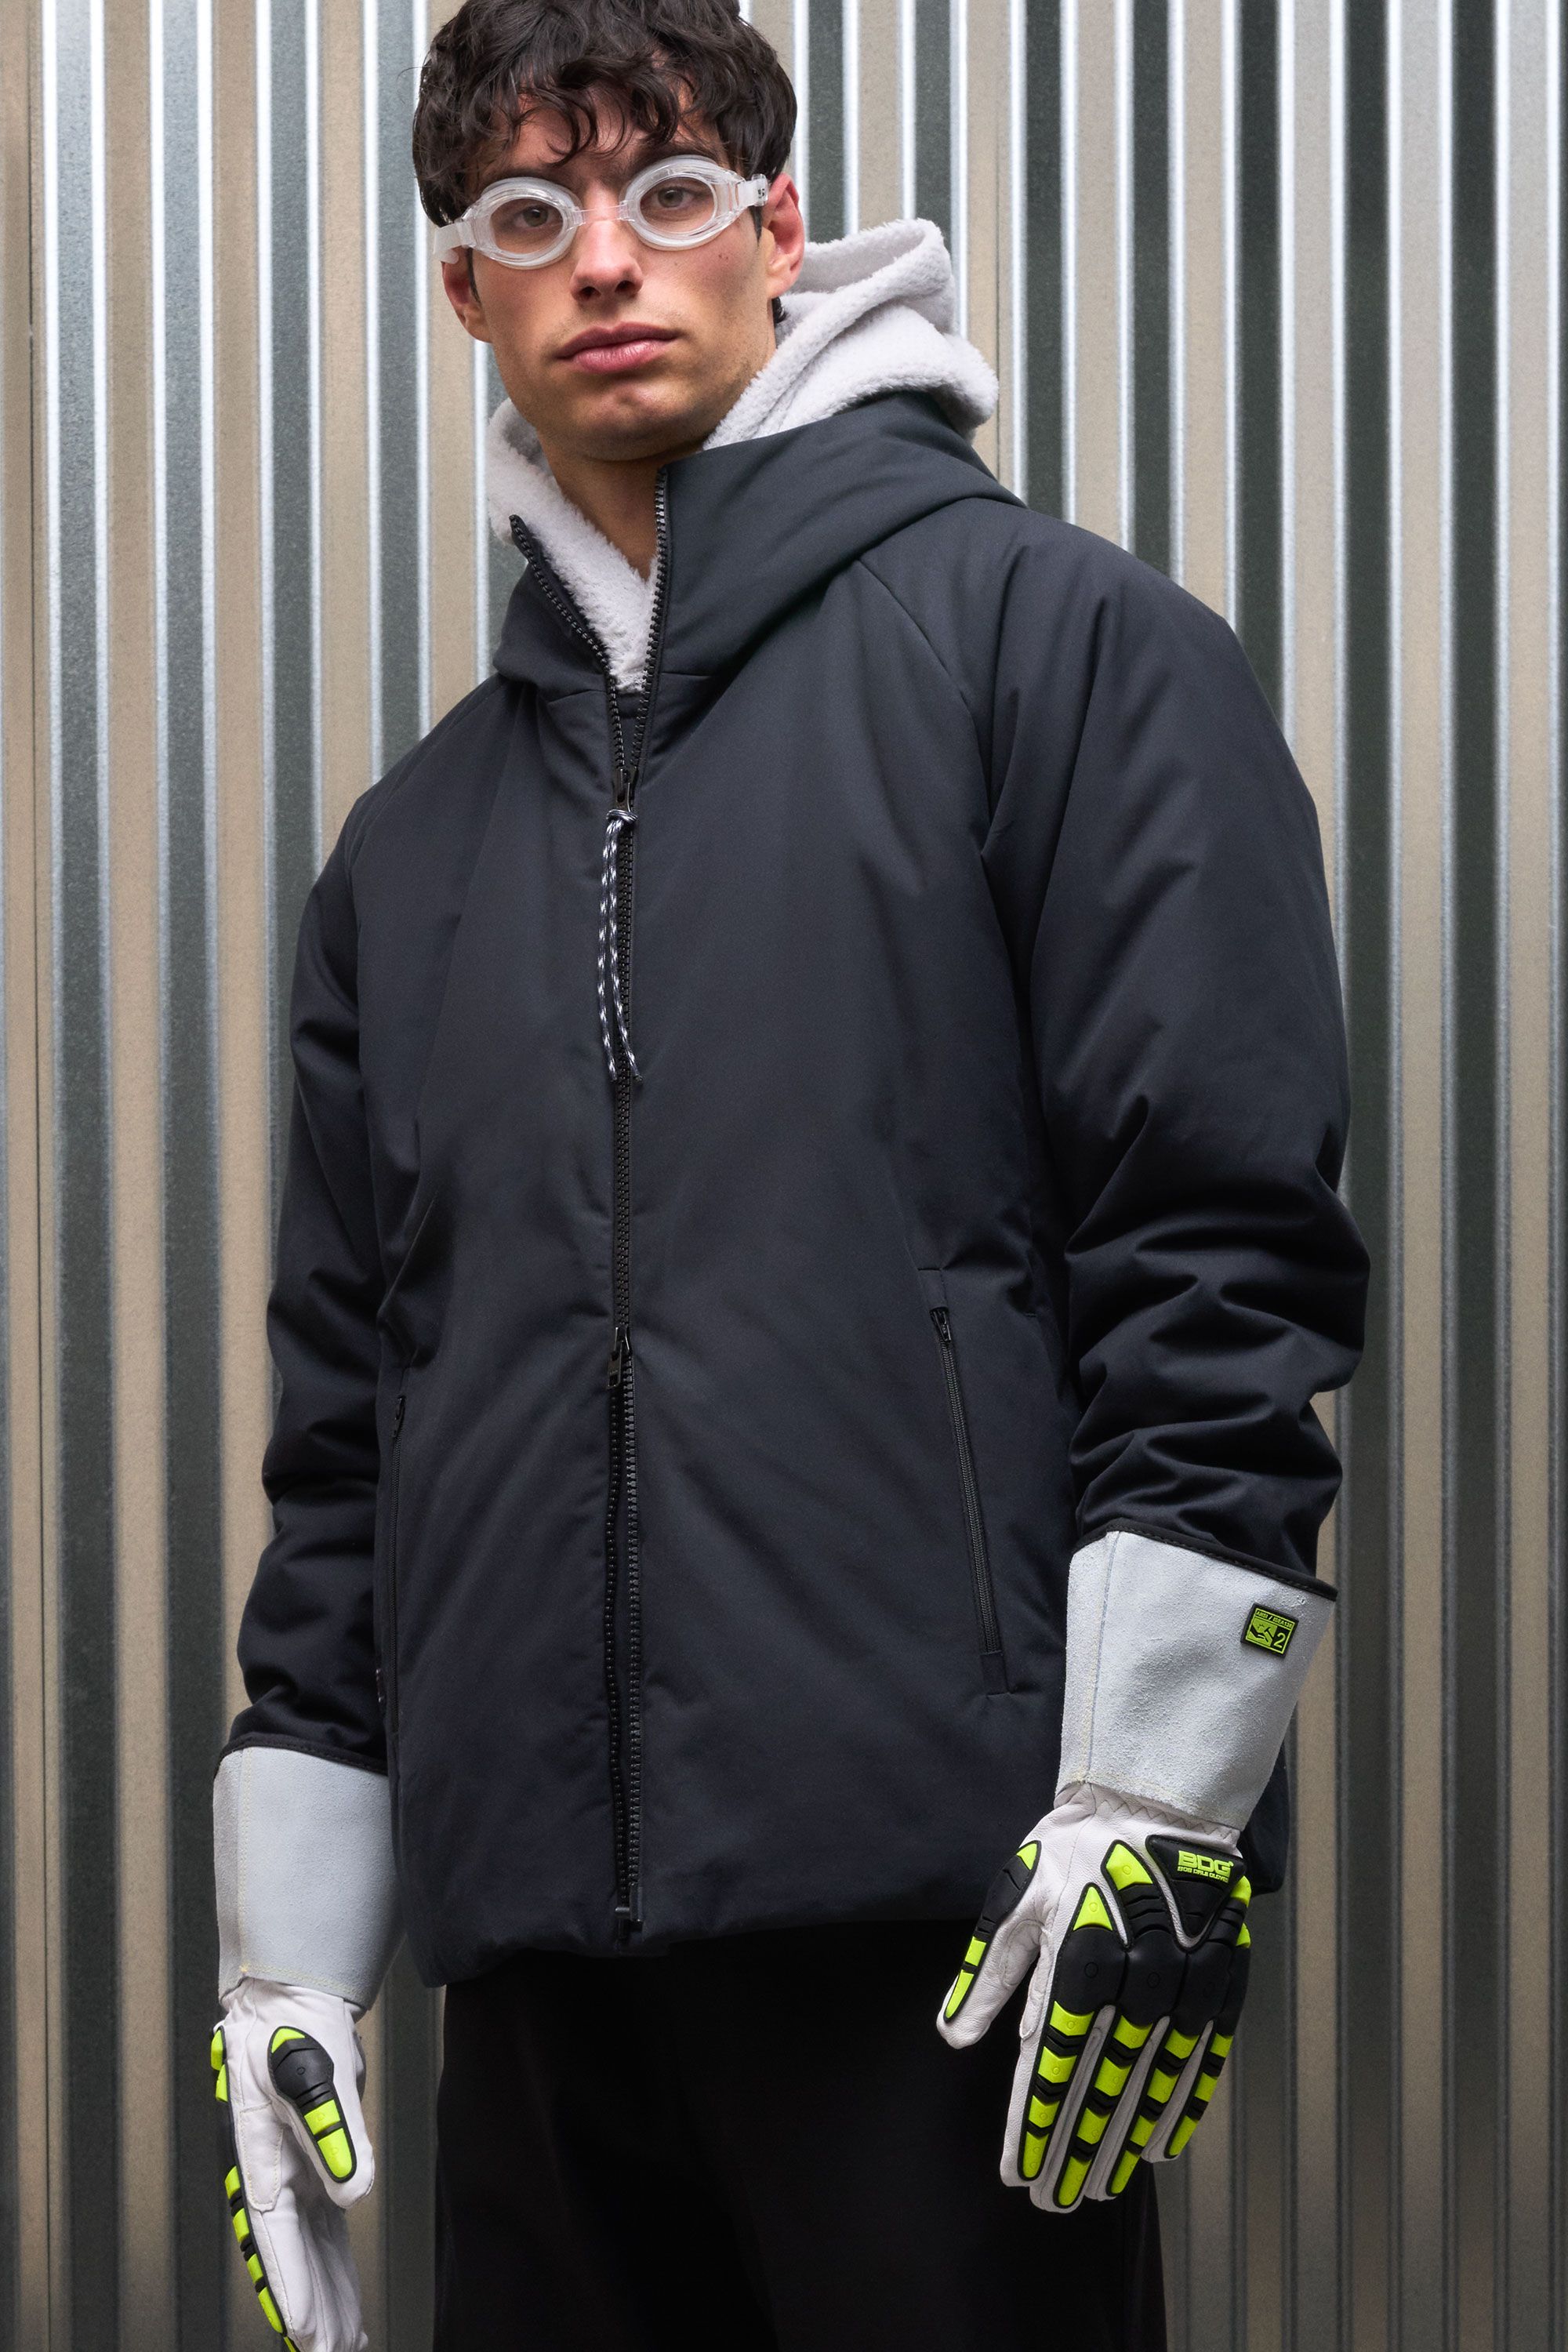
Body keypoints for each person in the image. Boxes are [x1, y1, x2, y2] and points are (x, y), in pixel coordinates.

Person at [207, 4, 1368, 2347]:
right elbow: (354, 1430)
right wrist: (290, 1959)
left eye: (665, 192)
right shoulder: (410, 856)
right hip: (540, 1986)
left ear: (779, 230)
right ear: (464, 290)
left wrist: (1161, 1799)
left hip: (951, 1941)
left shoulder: (1065, 653)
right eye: (527, 214)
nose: (603, 259)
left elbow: (1216, 1257)